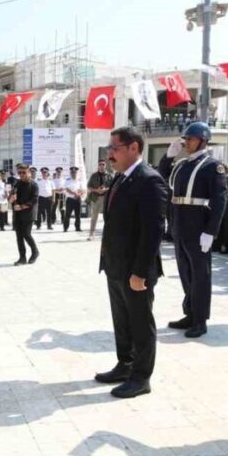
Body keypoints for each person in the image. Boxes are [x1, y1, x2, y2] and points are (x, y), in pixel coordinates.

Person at [93, 127, 170, 399]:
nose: (110, 153)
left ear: (134, 148)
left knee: (140, 323)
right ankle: (125, 364)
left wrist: (139, 272)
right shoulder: (120, 179)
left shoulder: (150, 180)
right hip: (115, 265)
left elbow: (152, 232)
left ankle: (141, 377)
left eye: (114, 148)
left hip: (135, 270)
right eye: (109, 148)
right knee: (122, 321)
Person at [158, 122, 228, 338]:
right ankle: (190, 312)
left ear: (203, 140)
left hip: (198, 224)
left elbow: (220, 200)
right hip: (180, 223)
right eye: (186, 139)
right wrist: (168, 157)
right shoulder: (182, 165)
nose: (186, 142)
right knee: (185, 271)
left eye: (190, 139)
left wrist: (211, 231)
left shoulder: (212, 166)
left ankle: (200, 319)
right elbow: (162, 177)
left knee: (200, 274)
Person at [10, 164, 39, 265]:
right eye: (19, 173)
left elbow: (34, 200)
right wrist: (11, 199)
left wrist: (22, 206)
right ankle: (22, 258)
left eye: (23, 172)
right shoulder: (17, 184)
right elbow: (11, 197)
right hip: (17, 213)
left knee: (26, 234)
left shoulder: (33, 185)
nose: (21, 175)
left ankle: (35, 252)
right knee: (19, 236)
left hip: (29, 213)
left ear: (29, 172)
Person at [86, 159, 110, 241]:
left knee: (107, 216)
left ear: (105, 165)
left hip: (106, 198)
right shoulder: (94, 175)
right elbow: (89, 186)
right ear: (98, 165)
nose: (102, 166)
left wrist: (105, 189)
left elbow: (113, 186)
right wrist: (97, 190)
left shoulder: (109, 175)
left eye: (103, 164)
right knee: (94, 216)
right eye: (100, 164)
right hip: (96, 198)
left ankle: (107, 235)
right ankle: (91, 234)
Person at [62, 166, 86, 232]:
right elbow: (67, 189)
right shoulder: (68, 180)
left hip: (77, 199)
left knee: (78, 215)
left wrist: (79, 194)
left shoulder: (80, 181)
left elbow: (83, 190)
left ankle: (78, 227)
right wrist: (74, 193)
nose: (74, 173)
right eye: (72, 172)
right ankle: (65, 227)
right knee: (67, 214)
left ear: (77, 173)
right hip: (70, 199)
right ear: (70, 173)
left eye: (75, 172)